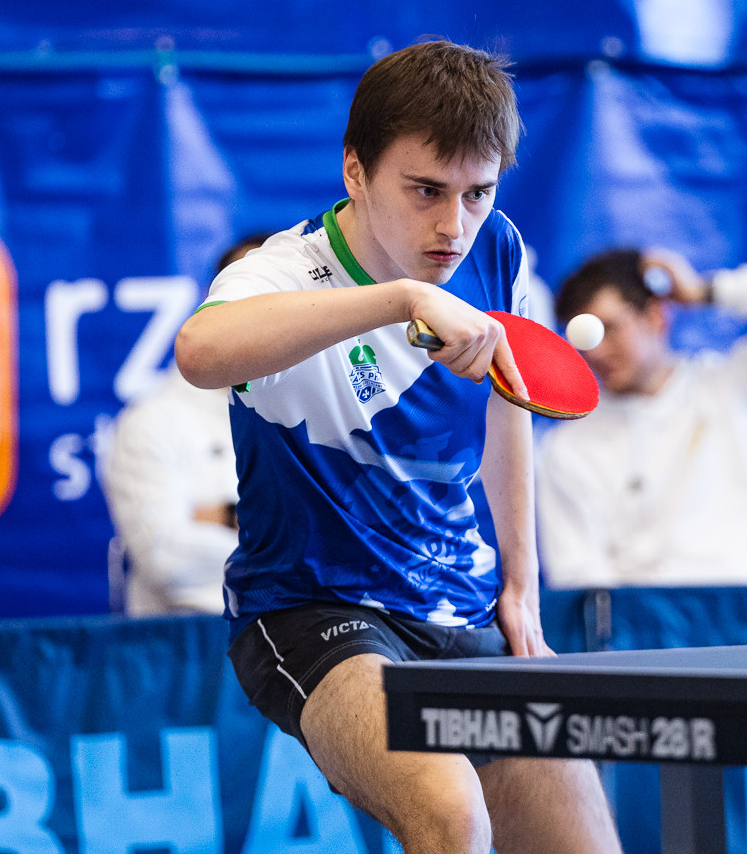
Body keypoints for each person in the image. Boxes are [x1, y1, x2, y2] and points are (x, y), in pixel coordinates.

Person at [173, 41, 619, 853]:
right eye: (426, 191)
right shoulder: (282, 271)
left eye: (478, 192)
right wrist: (401, 299)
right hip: (316, 609)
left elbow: (509, 405)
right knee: (450, 812)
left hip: (461, 601)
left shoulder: (497, 249)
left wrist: (521, 584)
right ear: (356, 171)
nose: (454, 225)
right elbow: (200, 352)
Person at [535, 247, 747, 587]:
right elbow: (577, 577)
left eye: (608, 328)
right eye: (582, 339)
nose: (595, 352)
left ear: (655, 316)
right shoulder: (567, 449)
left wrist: (704, 291)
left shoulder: (732, 386)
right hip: (665, 615)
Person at [100, 234, 268, 616]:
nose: (268, 314)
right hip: (195, 644)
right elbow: (167, 559)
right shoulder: (154, 420)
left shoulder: (327, 415)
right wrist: (278, 531)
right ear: (216, 305)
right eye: (253, 294)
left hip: (316, 640)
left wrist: (221, 517)